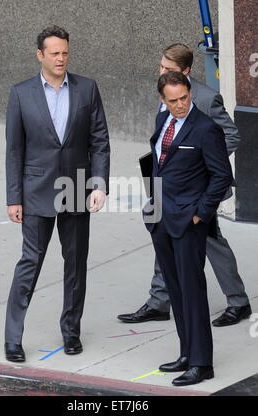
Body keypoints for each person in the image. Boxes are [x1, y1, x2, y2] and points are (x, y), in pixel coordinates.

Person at [118, 43, 251, 327]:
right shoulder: (165, 91)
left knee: (212, 242)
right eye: (161, 67)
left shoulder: (205, 98)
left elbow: (231, 136)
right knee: (162, 235)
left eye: (169, 69)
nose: (162, 72)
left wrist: (199, 166)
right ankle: (158, 301)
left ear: (187, 72)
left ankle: (238, 302)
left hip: (195, 191)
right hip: (164, 184)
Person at [4, 26, 110, 362]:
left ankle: (71, 332)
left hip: (77, 189)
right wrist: (14, 197)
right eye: (54, 53)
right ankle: (12, 338)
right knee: (29, 264)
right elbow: (14, 151)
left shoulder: (87, 89)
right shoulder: (21, 94)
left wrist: (98, 184)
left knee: (76, 265)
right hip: (36, 193)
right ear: (40, 55)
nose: (61, 58)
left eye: (65, 52)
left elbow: (100, 141)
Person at [146, 72, 233, 386]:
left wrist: (200, 215)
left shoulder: (206, 129)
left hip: (189, 223)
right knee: (177, 289)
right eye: (173, 100)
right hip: (161, 220)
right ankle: (186, 352)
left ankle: (201, 363)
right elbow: (158, 165)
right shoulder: (163, 123)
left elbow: (222, 176)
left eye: (184, 98)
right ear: (162, 99)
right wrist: (152, 206)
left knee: (193, 292)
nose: (181, 105)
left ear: (189, 93)